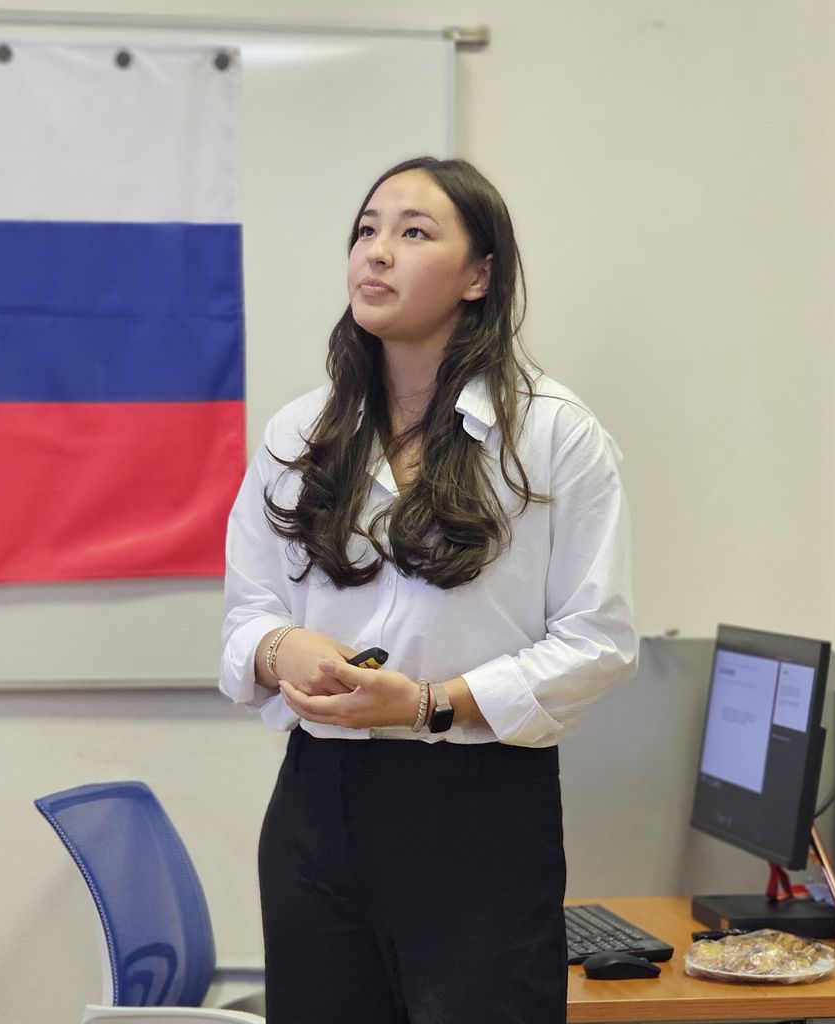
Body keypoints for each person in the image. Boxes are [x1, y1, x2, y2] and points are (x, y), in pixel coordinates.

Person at [219, 156, 637, 1024]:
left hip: (475, 812)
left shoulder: (553, 435)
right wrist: (281, 647)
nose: (376, 252)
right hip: (316, 806)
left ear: (478, 276)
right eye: (366, 231)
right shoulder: (302, 430)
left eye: (413, 233)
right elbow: (249, 610)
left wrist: (427, 703)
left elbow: (597, 643)